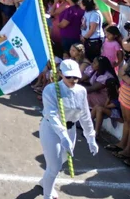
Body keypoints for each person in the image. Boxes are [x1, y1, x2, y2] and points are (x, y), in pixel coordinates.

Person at [39, 59, 98, 199]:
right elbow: (52, 115)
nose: (73, 80)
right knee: (55, 167)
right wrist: (63, 136)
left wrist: (91, 138)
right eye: (69, 76)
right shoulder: (51, 89)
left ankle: (44, 181)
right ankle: (47, 194)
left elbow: (85, 115)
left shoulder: (81, 91)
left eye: (76, 77)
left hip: (70, 130)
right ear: (60, 73)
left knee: (61, 161)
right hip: (51, 129)